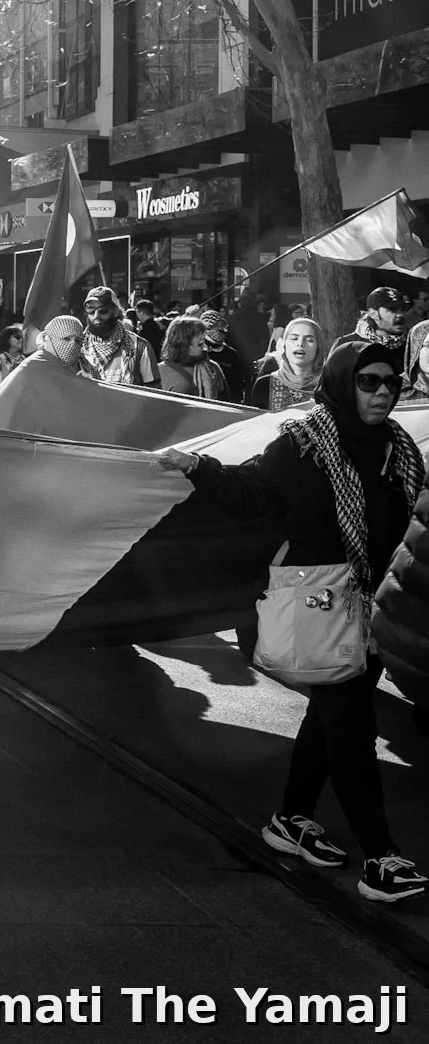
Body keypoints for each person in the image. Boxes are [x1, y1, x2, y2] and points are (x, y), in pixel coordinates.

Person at [155, 342, 426, 904]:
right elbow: (251, 494)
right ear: (342, 381)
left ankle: (291, 820)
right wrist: (198, 467)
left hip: (370, 604)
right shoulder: (302, 443)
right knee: (351, 725)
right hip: (315, 602)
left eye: (390, 383)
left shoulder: (399, 449)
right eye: (368, 381)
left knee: (329, 722)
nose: (381, 392)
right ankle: (380, 858)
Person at [77, 286, 159, 388]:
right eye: (91, 310)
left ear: (116, 311)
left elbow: (155, 395)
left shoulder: (139, 347)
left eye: (103, 310)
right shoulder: (79, 347)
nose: (96, 315)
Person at [250, 318, 325, 410]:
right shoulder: (264, 385)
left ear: (319, 347)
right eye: (294, 338)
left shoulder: (330, 385)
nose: (300, 344)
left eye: (309, 340)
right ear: (284, 345)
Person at [157, 317, 226, 399]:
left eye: (202, 333)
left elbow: (226, 402)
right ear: (182, 340)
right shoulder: (160, 371)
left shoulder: (213, 368)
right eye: (197, 334)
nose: (202, 337)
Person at [201, 308, 253, 399]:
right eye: (217, 327)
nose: (222, 330)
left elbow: (240, 380)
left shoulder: (231, 354)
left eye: (223, 327)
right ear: (207, 327)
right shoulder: (199, 352)